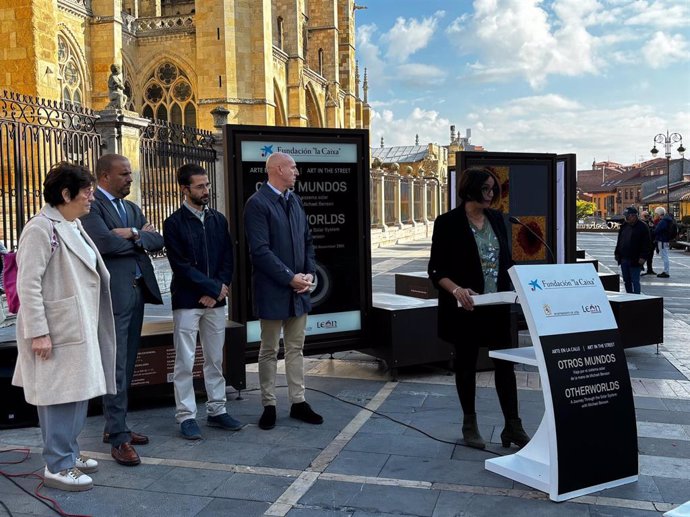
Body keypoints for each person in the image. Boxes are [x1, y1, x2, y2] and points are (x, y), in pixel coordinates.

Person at [12, 162, 116, 491]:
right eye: (86, 192)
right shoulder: (40, 228)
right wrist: (39, 332)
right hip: (57, 329)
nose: (92, 198)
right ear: (66, 193)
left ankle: (69, 452)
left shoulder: (72, 224)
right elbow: (28, 285)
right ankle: (58, 464)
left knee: (78, 392)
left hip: (77, 324)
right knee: (59, 398)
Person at [427, 166, 529, 450]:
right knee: (466, 365)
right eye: (485, 188)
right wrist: (457, 290)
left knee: (505, 366)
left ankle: (513, 426)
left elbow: (505, 262)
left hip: (496, 306)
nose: (491, 194)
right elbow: (436, 270)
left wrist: (521, 286)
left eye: (493, 189)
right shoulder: (447, 222)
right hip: (466, 308)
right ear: (470, 189)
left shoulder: (497, 219)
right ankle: (469, 424)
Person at [81, 154, 163, 467]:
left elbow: (157, 240)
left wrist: (133, 234)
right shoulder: (93, 208)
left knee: (127, 364)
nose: (130, 178)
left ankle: (117, 426)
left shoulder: (130, 208)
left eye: (130, 173)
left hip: (138, 292)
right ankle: (118, 440)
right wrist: (140, 236)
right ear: (104, 176)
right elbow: (104, 245)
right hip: (114, 297)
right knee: (116, 366)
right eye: (124, 174)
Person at [164, 164, 244, 439]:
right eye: (200, 186)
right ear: (184, 189)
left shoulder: (218, 219)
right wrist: (211, 288)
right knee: (184, 361)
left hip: (215, 302)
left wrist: (219, 290)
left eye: (207, 185)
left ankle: (217, 410)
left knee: (215, 358)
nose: (206, 190)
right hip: (187, 300)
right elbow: (181, 266)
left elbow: (227, 257)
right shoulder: (173, 223)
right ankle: (186, 415)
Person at [244, 151, 322, 430]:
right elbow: (260, 251)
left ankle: (298, 401)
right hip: (274, 289)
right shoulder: (258, 203)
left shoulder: (295, 200)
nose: (297, 172)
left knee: (296, 348)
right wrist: (290, 278)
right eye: (293, 167)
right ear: (277, 169)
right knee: (268, 349)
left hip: (299, 290)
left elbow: (308, 241)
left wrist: (309, 273)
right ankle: (269, 405)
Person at [614, 206, 652, 294]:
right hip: (623, 258)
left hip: (635, 259)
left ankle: (636, 298)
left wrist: (643, 257)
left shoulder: (643, 227)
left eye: (628, 216)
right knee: (626, 281)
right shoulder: (624, 226)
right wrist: (617, 253)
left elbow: (647, 244)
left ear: (634, 216)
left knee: (635, 281)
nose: (626, 218)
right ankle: (629, 297)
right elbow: (620, 241)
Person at [653, 206, 674, 278]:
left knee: (664, 256)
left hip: (662, 240)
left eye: (656, 213)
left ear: (659, 213)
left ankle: (666, 271)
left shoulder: (663, 221)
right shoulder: (667, 220)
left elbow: (656, 230)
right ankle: (666, 271)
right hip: (665, 240)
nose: (655, 215)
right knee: (665, 255)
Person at [639, 211, 656, 276]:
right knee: (643, 257)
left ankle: (650, 269)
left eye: (647, 215)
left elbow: (654, 230)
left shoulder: (650, 222)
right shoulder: (641, 223)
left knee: (650, 257)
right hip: (644, 243)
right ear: (642, 216)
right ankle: (639, 268)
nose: (647, 217)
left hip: (651, 242)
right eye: (645, 216)